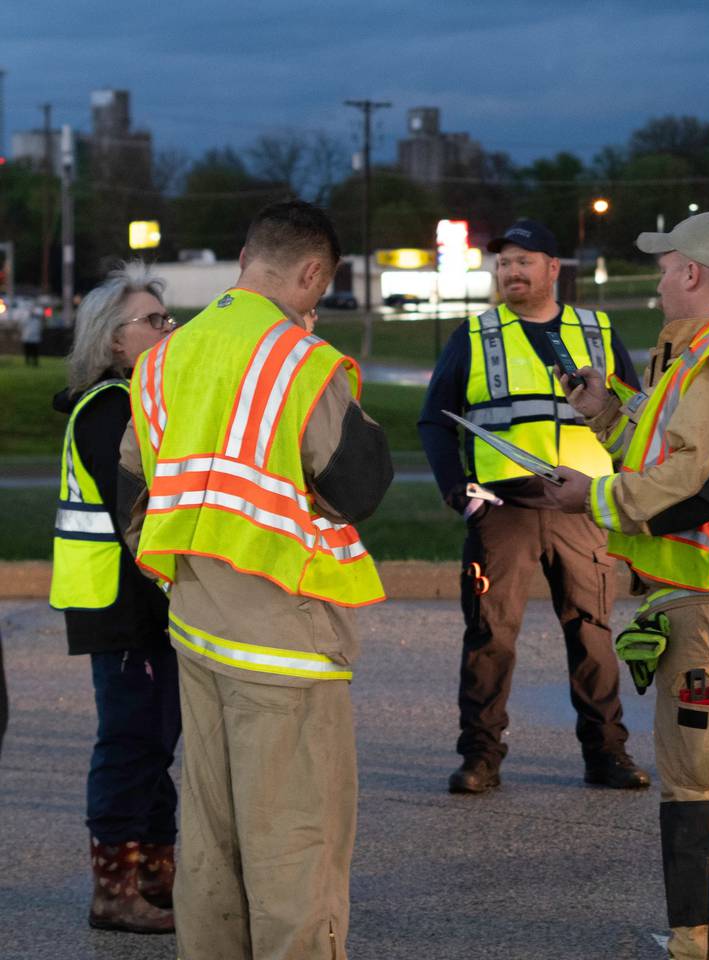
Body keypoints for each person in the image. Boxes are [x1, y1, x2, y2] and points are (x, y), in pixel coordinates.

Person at [516, 212, 709, 960]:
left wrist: (596, 499)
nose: (656, 277)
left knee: (703, 793)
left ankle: (707, 944)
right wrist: (608, 412)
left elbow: (705, 483)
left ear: (692, 275)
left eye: (663, 263)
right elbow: (678, 448)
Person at [117, 199, 393, 959]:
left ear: (243, 261)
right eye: (320, 290)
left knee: (211, 843)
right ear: (311, 275)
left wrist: (185, 581)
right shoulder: (300, 362)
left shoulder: (164, 358)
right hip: (288, 645)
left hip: (199, 633)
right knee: (295, 851)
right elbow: (361, 484)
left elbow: (131, 493)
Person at [417, 218, 649, 793]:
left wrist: (633, 496)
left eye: (524, 261)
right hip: (505, 509)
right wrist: (459, 492)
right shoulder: (473, 335)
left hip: (585, 507)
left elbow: (638, 416)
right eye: (504, 263)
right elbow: (434, 420)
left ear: (553, 269)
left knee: (594, 634)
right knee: (490, 636)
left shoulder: (597, 330)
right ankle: (481, 757)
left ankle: (607, 756)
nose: (512, 271)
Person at [50, 263, 179, 934]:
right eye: (153, 321)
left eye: (168, 317)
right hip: (123, 606)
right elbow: (138, 513)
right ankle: (116, 891)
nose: (169, 328)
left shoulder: (138, 404)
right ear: (112, 340)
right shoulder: (110, 410)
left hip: (137, 604)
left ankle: (158, 876)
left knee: (153, 740)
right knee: (132, 741)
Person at [21, 301, 44, 366]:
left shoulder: (38, 316)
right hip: (27, 336)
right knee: (27, 350)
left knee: (35, 350)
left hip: (35, 335)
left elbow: (41, 323)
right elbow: (22, 323)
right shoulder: (25, 316)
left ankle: (35, 362)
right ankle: (27, 361)